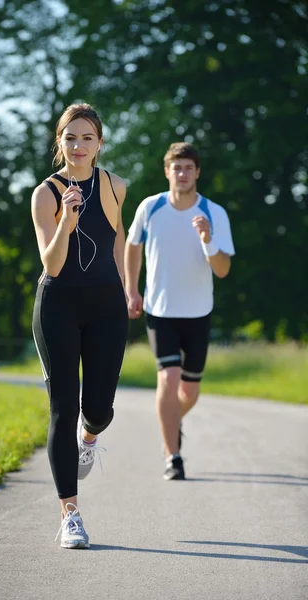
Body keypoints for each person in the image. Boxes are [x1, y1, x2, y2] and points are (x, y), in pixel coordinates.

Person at [31, 103, 128, 549]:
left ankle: (89, 437)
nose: (79, 145)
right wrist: (66, 223)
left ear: (99, 143)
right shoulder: (46, 194)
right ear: (59, 143)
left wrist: (127, 289)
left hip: (107, 304)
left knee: (101, 408)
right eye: (70, 137)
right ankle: (70, 515)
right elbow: (51, 265)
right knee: (63, 406)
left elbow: (118, 239)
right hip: (59, 307)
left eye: (87, 137)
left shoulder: (114, 186)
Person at [124, 142, 235, 481]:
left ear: (197, 172)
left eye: (189, 167)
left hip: (199, 312)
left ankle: (171, 423)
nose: (183, 173)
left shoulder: (213, 213)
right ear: (167, 171)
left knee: (189, 392)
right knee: (169, 379)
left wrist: (207, 239)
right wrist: (131, 289)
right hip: (161, 311)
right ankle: (173, 455)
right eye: (177, 167)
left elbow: (222, 269)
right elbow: (132, 246)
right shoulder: (150, 207)